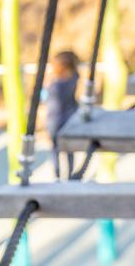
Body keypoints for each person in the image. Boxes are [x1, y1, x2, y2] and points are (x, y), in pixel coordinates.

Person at [45, 50, 80, 178]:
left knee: (55, 149)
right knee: (68, 149)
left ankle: (58, 175)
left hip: (56, 119)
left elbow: (49, 101)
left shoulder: (56, 85)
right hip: (70, 116)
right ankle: (69, 174)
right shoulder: (74, 78)